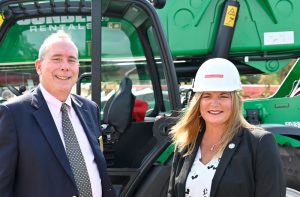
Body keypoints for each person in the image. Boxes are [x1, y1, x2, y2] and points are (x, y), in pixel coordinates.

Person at [0, 30, 116, 197]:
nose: (65, 66)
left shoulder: (90, 109)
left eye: (71, 60)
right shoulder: (12, 115)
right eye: (56, 59)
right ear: (39, 66)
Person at [167, 58, 285, 197]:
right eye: (207, 96)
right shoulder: (186, 144)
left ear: (234, 101)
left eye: (223, 96)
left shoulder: (259, 143)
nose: (214, 103)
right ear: (198, 102)